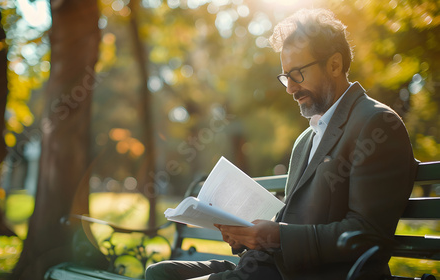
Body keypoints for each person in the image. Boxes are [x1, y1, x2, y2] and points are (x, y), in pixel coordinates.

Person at [146, 8, 417, 280]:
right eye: (286, 76)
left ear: (334, 65)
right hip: (270, 266)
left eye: (297, 73)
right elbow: (291, 222)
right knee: (160, 273)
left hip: (322, 274)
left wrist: (277, 236)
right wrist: (247, 235)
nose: (289, 88)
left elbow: (367, 234)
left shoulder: (376, 123)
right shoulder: (306, 140)